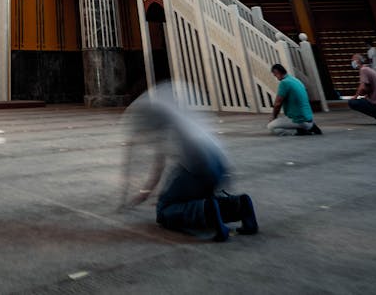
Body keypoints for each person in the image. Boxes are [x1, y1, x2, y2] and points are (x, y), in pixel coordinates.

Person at [123, 86, 258, 241]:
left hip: (198, 167)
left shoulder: (154, 118)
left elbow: (158, 165)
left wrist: (145, 192)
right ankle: (240, 204)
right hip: (218, 163)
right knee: (179, 193)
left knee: (164, 210)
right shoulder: (175, 113)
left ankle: (207, 211)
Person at [268, 63, 322, 135]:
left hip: (298, 119)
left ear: (277, 72)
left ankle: (298, 131)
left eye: (275, 75)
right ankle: (310, 126)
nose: (276, 77)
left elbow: (278, 103)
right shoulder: (295, 80)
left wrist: (273, 117)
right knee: (284, 120)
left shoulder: (284, 83)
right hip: (308, 118)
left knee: (271, 126)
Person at [348, 53, 376, 125]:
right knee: (363, 100)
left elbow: (362, 88)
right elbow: (368, 88)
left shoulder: (363, 70)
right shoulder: (370, 69)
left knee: (352, 102)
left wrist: (355, 97)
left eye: (353, 60)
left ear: (358, 61)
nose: (352, 62)